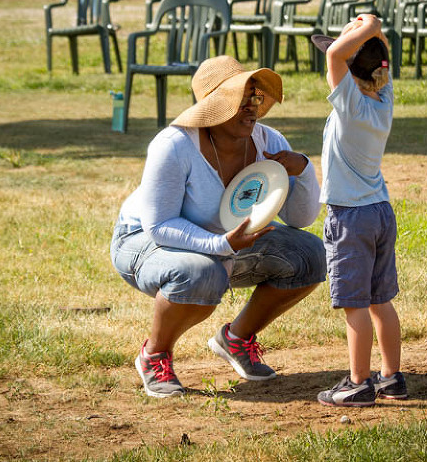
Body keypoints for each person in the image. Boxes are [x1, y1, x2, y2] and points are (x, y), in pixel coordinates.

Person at [110, 55, 326, 398]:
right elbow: (160, 225)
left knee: (311, 253)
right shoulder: (174, 146)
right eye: (240, 100)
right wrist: (220, 245)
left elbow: (300, 220)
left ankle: (236, 339)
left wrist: (302, 169)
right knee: (201, 273)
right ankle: (155, 354)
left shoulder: (269, 142)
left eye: (254, 98)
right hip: (144, 241)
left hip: (226, 242)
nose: (251, 108)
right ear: (213, 106)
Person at [310, 15, 407, 407]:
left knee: (355, 304)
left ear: (350, 71)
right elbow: (381, 59)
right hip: (380, 211)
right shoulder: (383, 99)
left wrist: (369, 26)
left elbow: (334, 54)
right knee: (380, 300)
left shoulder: (349, 103)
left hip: (350, 217)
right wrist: (370, 33)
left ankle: (358, 383)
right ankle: (391, 377)